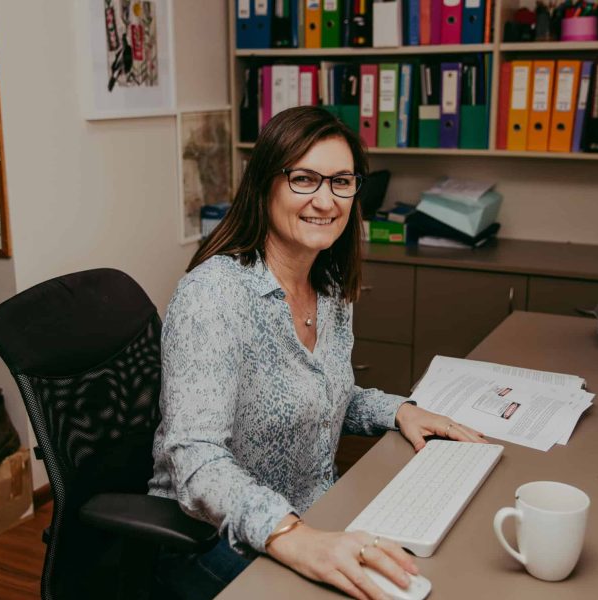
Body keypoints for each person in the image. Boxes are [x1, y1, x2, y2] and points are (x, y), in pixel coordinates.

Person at [148, 105, 486, 600]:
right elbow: (194, 457)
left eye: (342, 181)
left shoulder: (327, 287)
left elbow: (325, 394)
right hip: (216, 541)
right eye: (304, 179)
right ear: (266, 185)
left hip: (314, 517)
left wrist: (401, 411)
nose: (326, 200)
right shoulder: (213, 296)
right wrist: (294, 535)